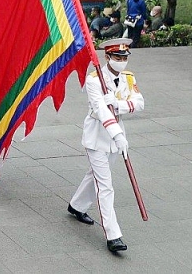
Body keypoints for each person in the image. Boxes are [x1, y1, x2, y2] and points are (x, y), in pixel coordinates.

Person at [68, 38, 144, 253]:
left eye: (124, 57)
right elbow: (101, 111)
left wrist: (118, 104)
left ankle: (76, 205)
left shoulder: (129, 78)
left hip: (116, 135)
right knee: (105, 184)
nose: (121, 61)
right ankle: (114, 235)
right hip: (97, 135)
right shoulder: (94, 80)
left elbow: (139, 103)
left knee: (96, 175)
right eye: (117, 57)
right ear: (107, 57)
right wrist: (117, 133)